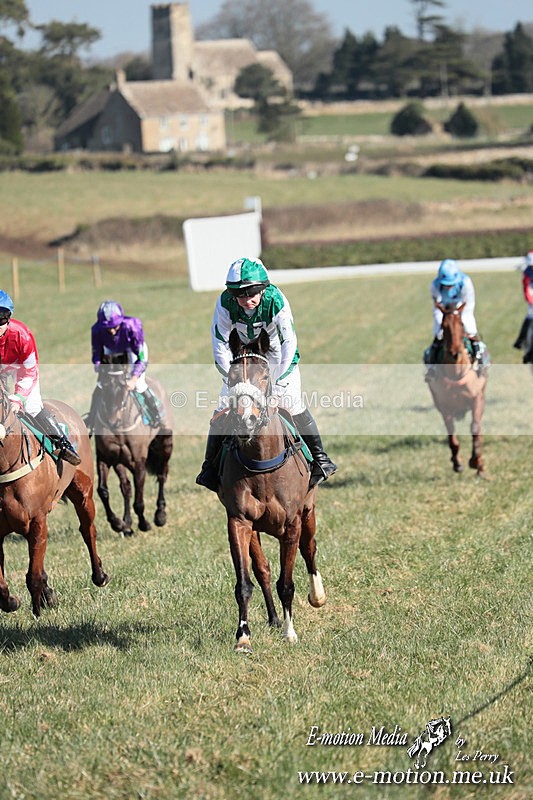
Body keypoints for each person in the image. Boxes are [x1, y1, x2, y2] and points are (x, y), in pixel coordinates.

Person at [196, 257, 337, 492]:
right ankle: (209, 467)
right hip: (240, 358)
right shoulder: (224, 303)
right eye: (240, 295)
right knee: (222, 407)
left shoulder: (275, 299)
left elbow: (289, 344)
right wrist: (232, 380)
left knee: (292, 403)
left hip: (275, 356)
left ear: (263, 289)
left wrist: (279, 385)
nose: (246, 300)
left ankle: (320, 459)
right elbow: (219, 344)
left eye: (252, 294)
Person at [0, 290, 81, 465]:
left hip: (21, 372)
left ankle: (62, 443)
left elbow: (29, 371)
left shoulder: (23, 335)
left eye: (1, 318)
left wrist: (18, 398)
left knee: (32, 406)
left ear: (9, 317)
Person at [85, 300, 162, 431]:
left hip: (133, 350)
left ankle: (155, 413)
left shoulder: (133, 326)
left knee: (138, 384)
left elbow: (141, 359)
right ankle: (91, 419)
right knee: (101, 385)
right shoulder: (97, 330)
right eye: (107, 328)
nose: (112, 331)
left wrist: (133, 378)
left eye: (115, 327)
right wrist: (100, 368)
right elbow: (97, 354)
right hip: (112, 350)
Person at [423, 258, 489, 378]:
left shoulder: (465, 282)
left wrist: (458, 314)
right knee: (438, 331)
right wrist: (446, 316)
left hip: (462, 307)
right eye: (446, 284)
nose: (448, 287)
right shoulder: (435, 285)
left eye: (451, 284)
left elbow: (468, 303)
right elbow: (437, 305)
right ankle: (432, 363)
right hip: (444, 308)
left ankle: (480, 357)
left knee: (470, 328)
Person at [513, 250, 533, 360]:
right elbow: (526, 289)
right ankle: (521, 340)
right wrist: (530, 300)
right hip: (532, 296)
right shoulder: (527, 273)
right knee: (530, 315)